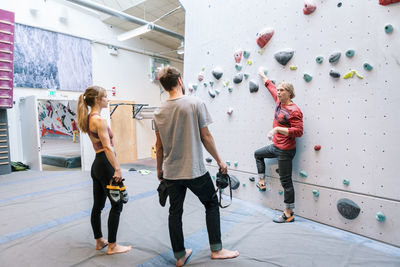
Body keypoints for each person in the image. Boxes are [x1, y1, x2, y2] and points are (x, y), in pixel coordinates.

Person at [154, 66, 239, 267]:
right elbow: (206, 136)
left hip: (171, 172)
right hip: (194, 171)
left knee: (175, 213)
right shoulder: (195, 103)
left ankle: (180, 255)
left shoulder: (158, 112)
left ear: (165, 87)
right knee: (211, 205)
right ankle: (217, 250)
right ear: (180, 81)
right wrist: (220, 160)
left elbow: (158, 147)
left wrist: (160, 169)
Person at [77, 86, 131, 255]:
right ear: (96, 100)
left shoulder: (88, 118)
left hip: (97, 165)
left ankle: (100, 240)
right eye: (105, 97)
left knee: (98, 206)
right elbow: (107, 147)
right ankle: (112, 246)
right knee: (118, 205)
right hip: (106, 165)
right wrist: (117, 168)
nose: (108, 99)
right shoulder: (99, 121)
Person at [255, 67, 303, 223]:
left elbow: (298, 131)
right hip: (275, 147)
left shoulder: (294, 111)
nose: (279, 91)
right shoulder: (278, 101)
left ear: (289, 93)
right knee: (258, 154)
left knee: (286, 182)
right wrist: (262, 74)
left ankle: (289, 213)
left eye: (282, 90)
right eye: (279, 90)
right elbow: (270, 85)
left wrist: (276, 129)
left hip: (285, 151)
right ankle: (262, 181)